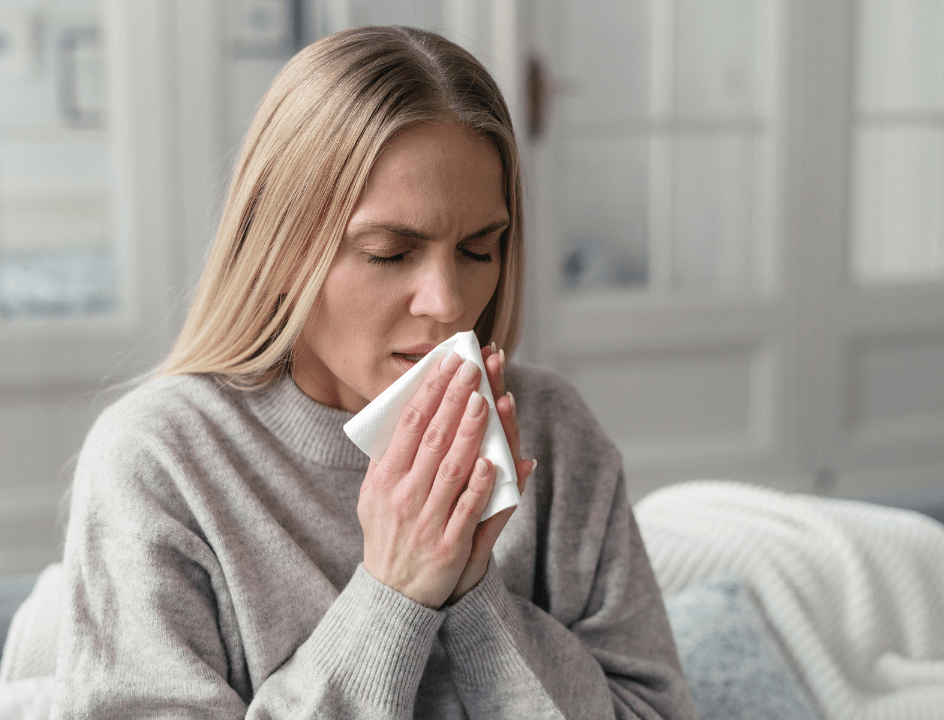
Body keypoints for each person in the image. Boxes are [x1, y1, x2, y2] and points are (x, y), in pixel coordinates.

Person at [52, 25, 697, 719]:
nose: (448, 304)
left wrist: (471, 591)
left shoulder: (552, 431)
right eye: (390, 253)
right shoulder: (160, 460)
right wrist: (393, 596)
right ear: (280, 248)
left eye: (479, 250)